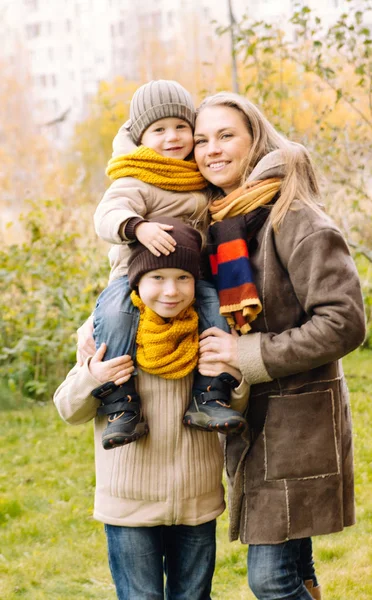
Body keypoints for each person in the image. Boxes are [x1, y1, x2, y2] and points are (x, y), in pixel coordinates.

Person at [191, 92, 366, 600]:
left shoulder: (294, 217)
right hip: (260, 419)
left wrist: (247, 356)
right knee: (295, 566)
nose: (211, 150)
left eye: (226, 136)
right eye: (202, 139)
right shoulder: (227, 221)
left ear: (256, 140)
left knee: (271, 578)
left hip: (298, 423)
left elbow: (344, 321)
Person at [54, 218, 250, 600]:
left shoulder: (210, 331)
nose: (171, 291)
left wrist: (234, 377)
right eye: (157, 278)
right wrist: (93, 377)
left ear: (197, 283)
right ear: (137, 283)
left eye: (183, 278)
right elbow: (68, 409)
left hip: (196, 500)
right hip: (129, 503)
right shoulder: (112, 332)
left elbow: (234, 406)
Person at [87, 79, 246, 449]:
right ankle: (120, 403)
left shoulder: (198, 178)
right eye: (159, 129)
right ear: (141, 137)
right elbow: (107, 214)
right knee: (115, 314)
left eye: (181, 127)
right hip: (134, 277)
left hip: (190, 277)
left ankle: (209, 396)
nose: (172, 136)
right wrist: (136, 227)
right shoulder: (136, 176)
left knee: (215, 310)